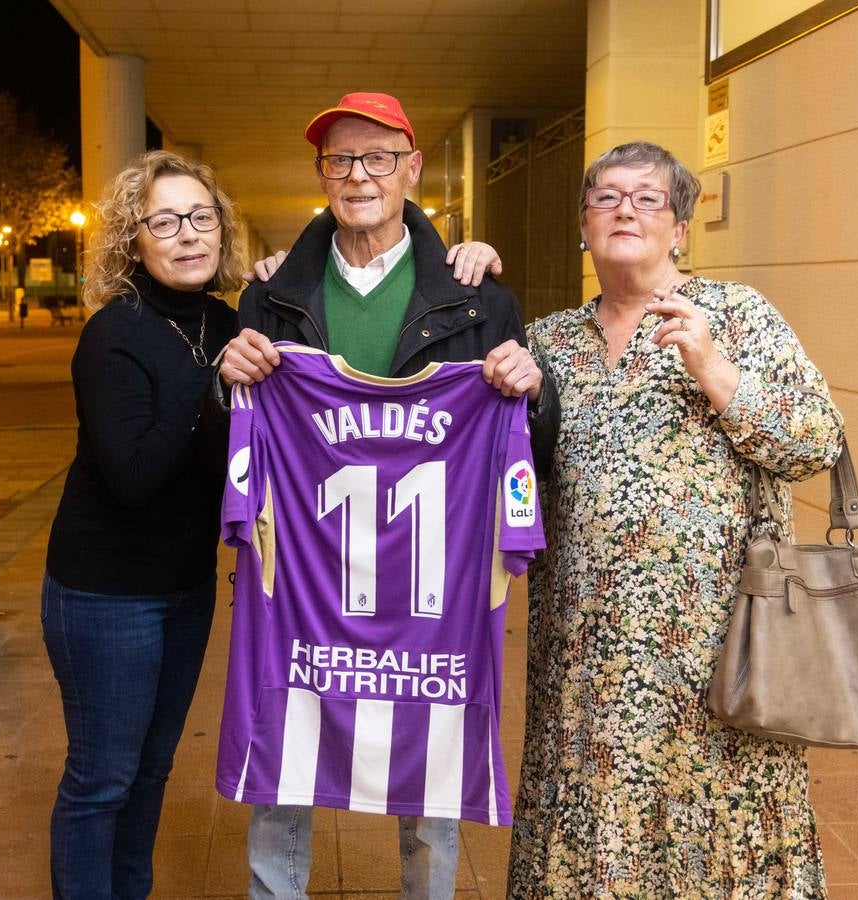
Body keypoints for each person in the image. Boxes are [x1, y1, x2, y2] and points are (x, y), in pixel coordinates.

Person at [219, 91, 558, 899]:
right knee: (285, 756)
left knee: (432, 764)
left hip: (430, 582)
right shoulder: (270, 298)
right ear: (322, 176)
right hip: (305, 579)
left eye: (378, 158)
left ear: (410, 169)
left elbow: (524, 448)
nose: (359, 175)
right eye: (341, 160)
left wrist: (530, 392)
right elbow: (243, 428)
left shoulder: (479, 295)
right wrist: (224, 381)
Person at [509, 141, 843, 897]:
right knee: (591, 816)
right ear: (582, 226)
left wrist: (714, 369)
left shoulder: (737, 315)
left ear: (681, 228)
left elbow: (815, 441)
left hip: (718, 649)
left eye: (648, 198)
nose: (625, 209)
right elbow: (511, 477)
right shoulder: (547, 340)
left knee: (713, 828)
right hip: (583, 655)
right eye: (606, 197)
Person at [40, 150, 245, 900]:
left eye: (201, 217)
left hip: (185, 588)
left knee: (153, 770)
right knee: (101, 780)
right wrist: (213, 379)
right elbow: (133, 476)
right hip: (105, 594)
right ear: (134, 239)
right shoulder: (113, 335)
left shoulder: (225, 321)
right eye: (164, 221)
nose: (188, 234)